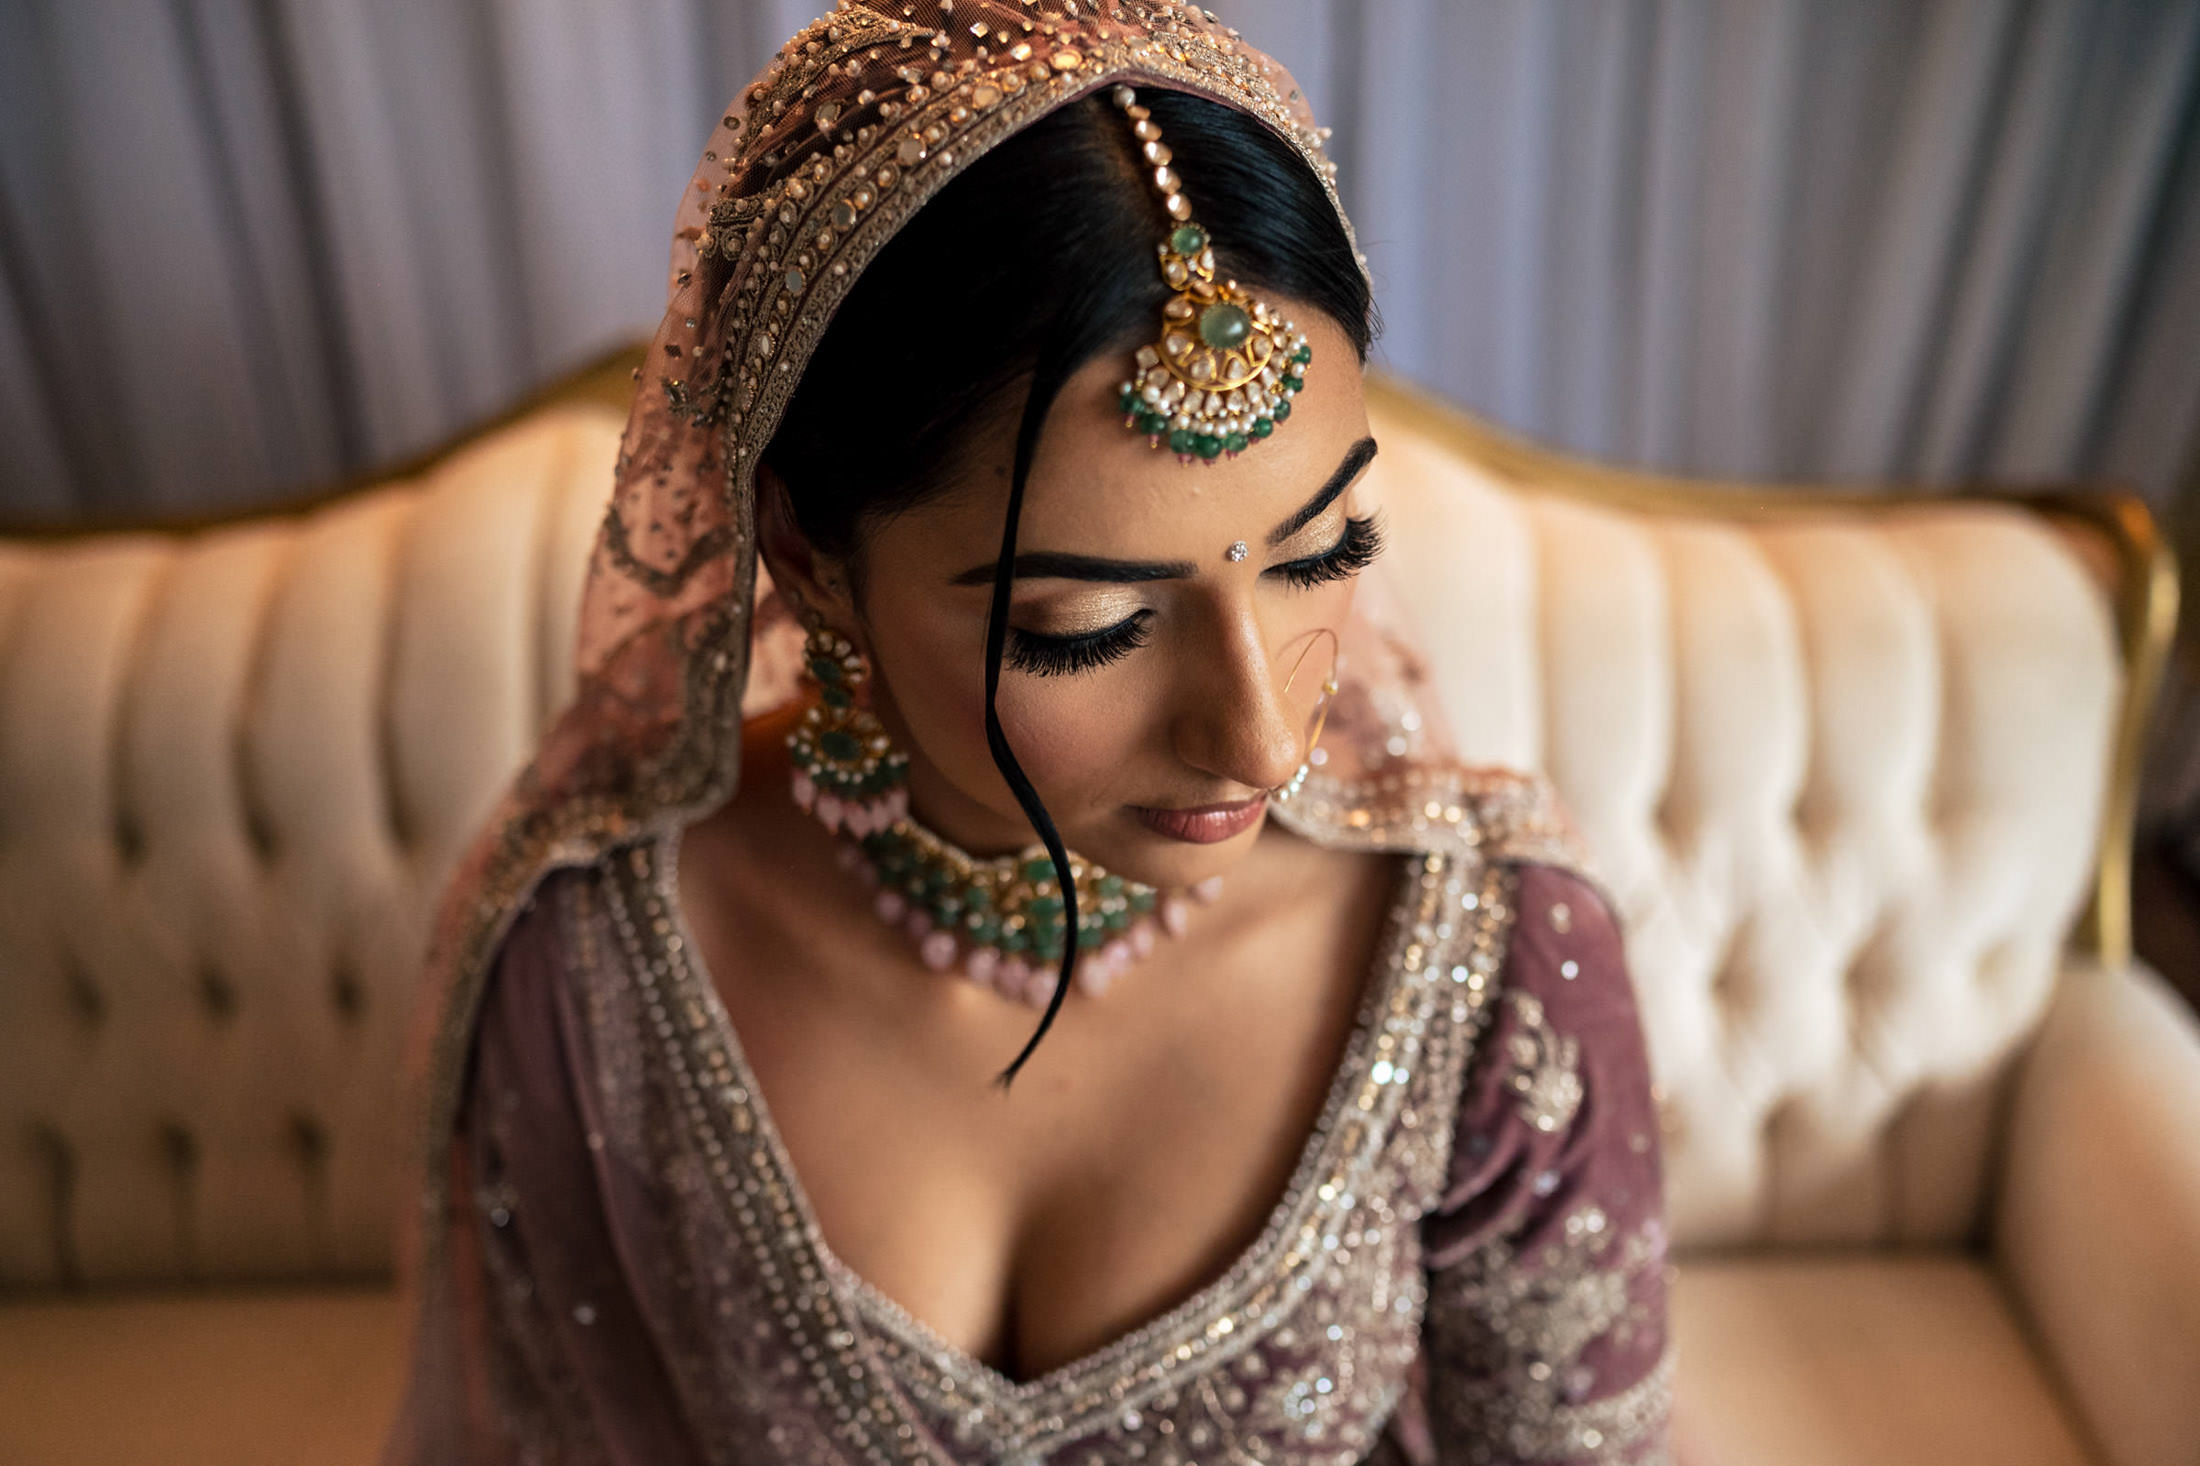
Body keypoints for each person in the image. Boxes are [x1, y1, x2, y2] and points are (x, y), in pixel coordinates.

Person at [385, 2, 1673, 1461]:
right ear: (806, 555)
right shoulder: (593, 966)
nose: (1259, 738)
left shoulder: (1491, 960)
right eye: (1084, 626)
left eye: (1320, 553)